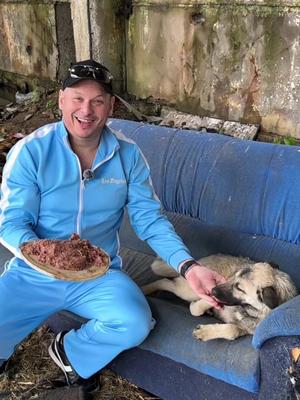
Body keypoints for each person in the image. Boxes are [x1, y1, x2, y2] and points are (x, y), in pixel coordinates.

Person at [0, 60, 225, 393]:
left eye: (97, 100)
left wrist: (189, 267)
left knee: (135, 322)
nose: (86, 110)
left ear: (111, 106)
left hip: (98, 274)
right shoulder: (31, 151)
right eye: (77, 98)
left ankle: (70, 353)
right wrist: (46, 254)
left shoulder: (128, 156)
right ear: (61, 100)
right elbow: (12, 223)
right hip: (36, 271)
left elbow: (149, 220)